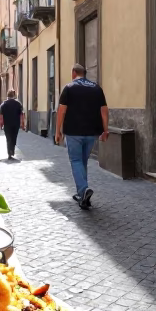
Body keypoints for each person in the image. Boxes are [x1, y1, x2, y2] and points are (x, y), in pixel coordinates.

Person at [54, 64, 108, 209]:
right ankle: (82, 195)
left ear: (73, 73)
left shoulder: (69, 88)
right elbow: (104, 111)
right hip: (92, 132)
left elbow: (61, 111)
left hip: (73, 132)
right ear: (84, 73)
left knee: (76, 160)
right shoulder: (97, 88)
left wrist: (57, 131)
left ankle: (83, 190)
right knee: (82, 161)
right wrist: (105, 130)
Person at [0, 90, 24, 160]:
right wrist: (22, 123)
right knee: (14, 137)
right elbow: (21, 114)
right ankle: (12, 150)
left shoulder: (3, 104)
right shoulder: (18, 104)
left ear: (7, 95)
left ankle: (9, 153)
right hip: (16, 124)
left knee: (8, 138)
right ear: (14, 95)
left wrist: (1, 124)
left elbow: (1, 115)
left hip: (7, 124)